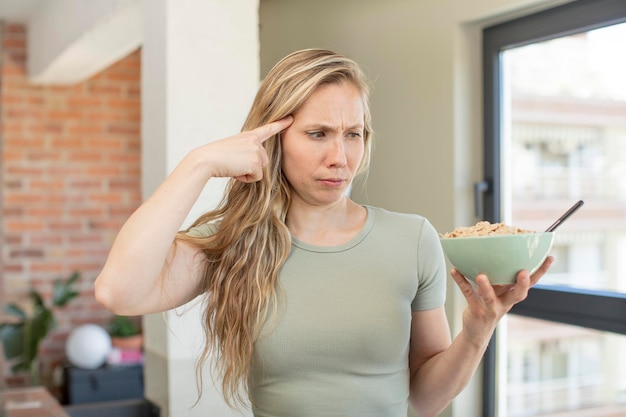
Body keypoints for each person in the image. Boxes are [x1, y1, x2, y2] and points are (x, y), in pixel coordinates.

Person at [95, 48, 553, 417]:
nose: (341, 157)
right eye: (318, 134)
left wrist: (477, 330)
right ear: (272, 138)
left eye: (353, 134)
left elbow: (426, 400)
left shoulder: (413, 239)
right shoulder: (236, 240)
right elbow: (120, 292)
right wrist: (198, 164)